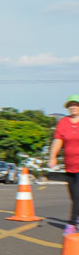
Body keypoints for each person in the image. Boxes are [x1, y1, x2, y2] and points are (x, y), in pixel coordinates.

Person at [49, 94, 79, 236]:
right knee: (73, 196)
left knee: (78, 196)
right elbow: (58, 141)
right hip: (70, 166)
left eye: (76, 104)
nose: (73, 107)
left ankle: (72, 223)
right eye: (70, 105)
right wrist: (52, 157)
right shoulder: (63, 123)